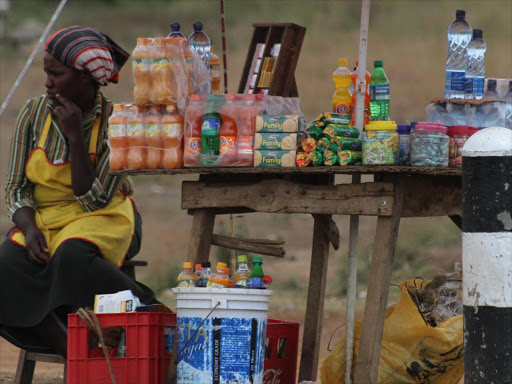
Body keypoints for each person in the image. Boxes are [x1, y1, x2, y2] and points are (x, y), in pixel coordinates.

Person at [0, 26, 157, 357]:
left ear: (87, 77)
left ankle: (147, 310)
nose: (47, 82)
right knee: (5, 264)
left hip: (104, 217)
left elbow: (92, 199)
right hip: (46, 219)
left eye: (56, 74)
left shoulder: (120, 123)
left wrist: (75, 137)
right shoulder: (33, 113)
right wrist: (28, 230)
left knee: (70, 255)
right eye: (46, 72)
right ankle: (69, 346)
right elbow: (16, 189)